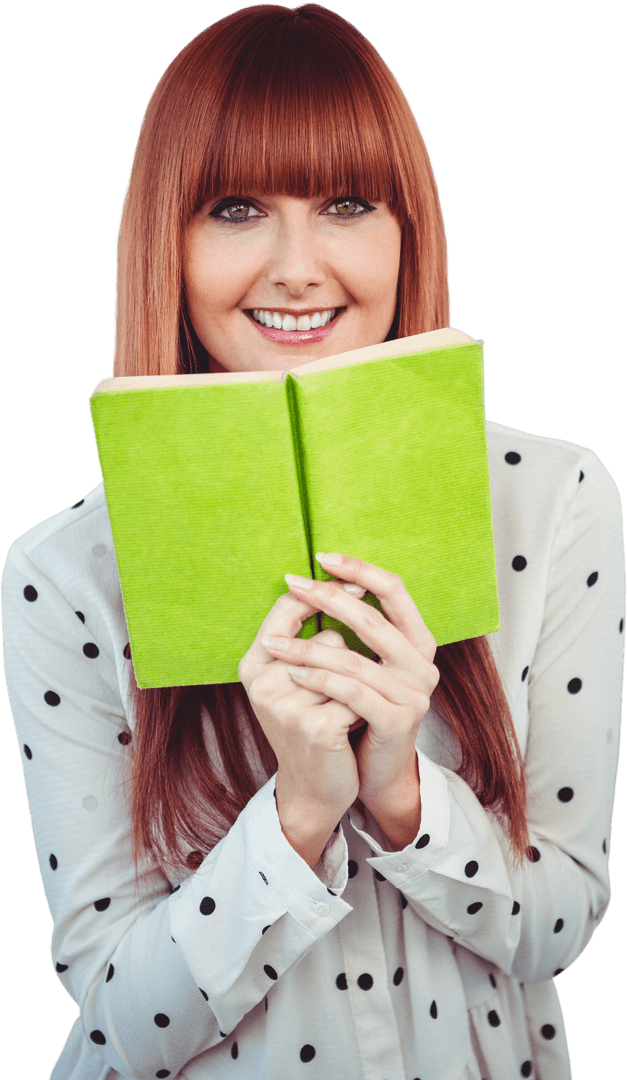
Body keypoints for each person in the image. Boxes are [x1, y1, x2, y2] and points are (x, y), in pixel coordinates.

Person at [1, 4, 624, 1079]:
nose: (298, 267)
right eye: (237, 207)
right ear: (170, 238)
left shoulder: (553, 498)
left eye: (346, 203)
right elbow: (109, 1019)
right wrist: (296, 817)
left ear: (407, 231)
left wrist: (403, 793)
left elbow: (560, 925)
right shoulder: (64, 575)